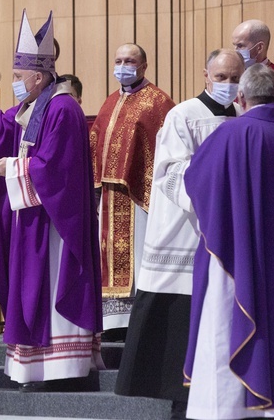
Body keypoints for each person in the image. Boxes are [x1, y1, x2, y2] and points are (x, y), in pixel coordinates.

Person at [0, 9, 104, 390]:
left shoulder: (62, 107)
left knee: (49, 288)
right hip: (34, 218)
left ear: (39, 75)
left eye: (18, 77)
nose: (14, 83)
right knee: (33, 289)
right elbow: (1, 125)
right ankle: (38, 366)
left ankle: (61, 367)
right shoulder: (37, 105)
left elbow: (56, 169)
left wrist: (12, 170)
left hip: (54, 224)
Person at [183, 63, 274, 419]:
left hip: (241, 258)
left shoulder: (230, 134)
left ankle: (234, 409)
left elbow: (196, 183)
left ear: (241, 97)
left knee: (228, 324)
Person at [115, 49, 244, 419]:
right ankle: (180, 404)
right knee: (178, 331)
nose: (229, 86)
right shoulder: (183, 115)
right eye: (221, 78)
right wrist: (213, 205)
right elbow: (171, 173)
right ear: (205, 75)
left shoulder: (241, 117)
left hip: (223, 239)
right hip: (186, 234)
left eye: (235, 78)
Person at [89, 43, 174, 338]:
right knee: (107, 257)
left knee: (138, 257)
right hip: (109, 196)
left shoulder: (158, 102)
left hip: (140, 196)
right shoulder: (110, 102)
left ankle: (138, 322)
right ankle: (112, 324)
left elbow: (166, 151)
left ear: (144, 66)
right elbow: (96, 141)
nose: (123, 65)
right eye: (118, 60)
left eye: (130, 61)